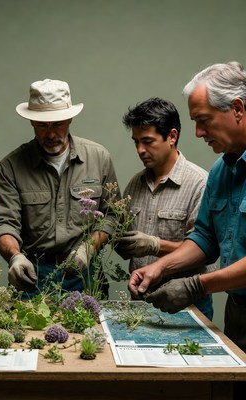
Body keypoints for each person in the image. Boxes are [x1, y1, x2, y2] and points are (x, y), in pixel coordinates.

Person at [128, 61, 246, 352]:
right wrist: (160, 268)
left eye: (204, 120)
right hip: (239, 310)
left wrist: (196, 286)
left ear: (238, 109)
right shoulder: (221, 170)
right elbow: (205, 237)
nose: (197, 132)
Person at [0, 78, 120, 297]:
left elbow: (113, 215)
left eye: (57, 124)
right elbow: (4, 223)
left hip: (86, 274)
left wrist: (89, 248)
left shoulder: (99, 158)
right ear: (32, 122)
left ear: (70, 118)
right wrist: (15, 257)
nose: (50, 134)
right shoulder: (11, 166)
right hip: (34, 275)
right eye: (42, 125)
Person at [116, 97, 215, 320]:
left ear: (172, 136)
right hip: (141, 302)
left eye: (148, 141)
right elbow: (124, 243)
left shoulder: (200, 183)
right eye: (136, 142)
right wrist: (122, 244)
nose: (140, 150)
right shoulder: (135, 184)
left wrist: (154, 245)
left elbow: (206, 252)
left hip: (187, 306)